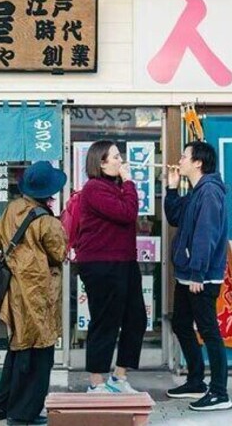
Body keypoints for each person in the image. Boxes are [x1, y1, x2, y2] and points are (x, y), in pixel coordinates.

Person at [0, 161, 67, 426]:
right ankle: (24, 412)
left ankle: (2, 405)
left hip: (15, 287)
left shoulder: (12, 209)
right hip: (39, 291)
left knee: (17, 345)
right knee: (39, 351)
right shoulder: (46, 220)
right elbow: (59, 253)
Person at [164, 140, 232, 411]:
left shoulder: (210, 192)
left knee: (209, 331)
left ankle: (220, 392)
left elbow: (207, 235)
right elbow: (175, 217)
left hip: (200, 277)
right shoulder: (196, 191)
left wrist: (198, 273)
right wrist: (171, 187)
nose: (179, 161)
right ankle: (195, 381)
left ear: (198, 163)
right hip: (189, 274)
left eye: (184, 157)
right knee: (181, 323)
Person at [74, 140, 147, 394]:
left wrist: (125, 185)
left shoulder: (114, 187)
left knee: (136, 318)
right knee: (105, 321)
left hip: (124, 261)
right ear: (101, 162)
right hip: (100, 263)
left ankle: (119, 377)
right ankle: (96, 382)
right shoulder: (94, 188)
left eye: (120, 156)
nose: (121, 161)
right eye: (115, 157)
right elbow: (126, 213)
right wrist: (129, 183)